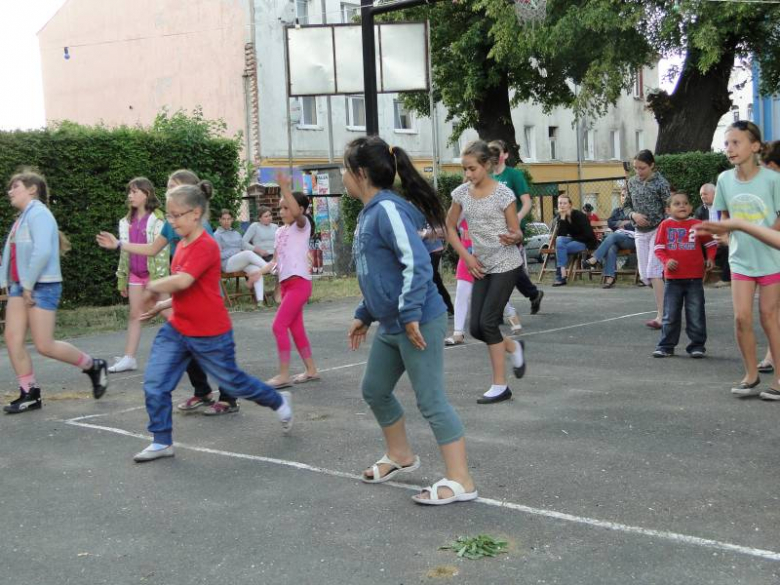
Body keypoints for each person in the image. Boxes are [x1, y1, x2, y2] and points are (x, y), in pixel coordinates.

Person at [345, 135, 476, 505]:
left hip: (417, 321)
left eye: (344, 169)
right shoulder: (371, 211)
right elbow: (379, 273)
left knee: (431, 401)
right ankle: (401, 456)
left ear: (359, 173)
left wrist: (409, 314)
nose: (343, 176)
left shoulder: (387, 209)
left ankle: (461, 480)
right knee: (374, 389)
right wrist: (364, 314)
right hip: (393, 324)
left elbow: (417, 263)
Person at [131, 184, 293, 461]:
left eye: (176, 215)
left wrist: (152, 286)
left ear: (195, 213)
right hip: (179, 328)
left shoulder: (206, 244)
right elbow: (188, 291)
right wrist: (162, 303)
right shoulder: (181, 244)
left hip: (211, 333)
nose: (171, 222)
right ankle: (161, 441)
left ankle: (277, 400)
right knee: (155, 383)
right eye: (169, 216)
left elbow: (183, 281)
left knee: (235, 383)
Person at [97, 170, 237, 416]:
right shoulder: (172, 224)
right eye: (167, 186)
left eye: (173, 186)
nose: (167, 191)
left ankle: (229, 398)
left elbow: (198, 274)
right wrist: (119, 244)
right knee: (186, 342)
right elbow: (152, 249)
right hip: (185, 289)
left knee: (213, 350)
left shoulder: (202, 229)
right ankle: (202, 392)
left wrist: (157, 291)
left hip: (202, 292)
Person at [2, 171, 108, 414]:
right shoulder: (21, 220)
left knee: (44, 345)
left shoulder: (39, 214)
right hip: (21, 286)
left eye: (15, 186)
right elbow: (12, 257)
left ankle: (93, 366)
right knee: (12, 338)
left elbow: (42, 252)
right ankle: (30, 393)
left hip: (41, 285)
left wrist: (28, 284)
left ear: (32, 189)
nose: (10, 191)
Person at [446, 140, 526, 405]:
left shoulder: (503, 194)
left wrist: (514, 237)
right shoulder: (461, 194)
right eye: (464, 169)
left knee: (489, 322)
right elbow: (450, 228)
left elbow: (517, 231)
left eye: (472, 169)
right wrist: (467, 257)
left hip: (505, 263)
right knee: (476, 328)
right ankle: (513, 347)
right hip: (480, 263)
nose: (468, 175)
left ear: (487, 165)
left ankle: (500, 385)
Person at [712, 121, 780, 400]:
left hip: (771, 260)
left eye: (736, 142)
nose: (730, 148)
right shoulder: (724, 180)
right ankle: (751, 375)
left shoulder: (773, 179)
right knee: (741, 318)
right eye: (727, 143)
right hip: (740, 260)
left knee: (769, 317)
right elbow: (724, 216)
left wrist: (761, 235)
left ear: (755, 147)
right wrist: (724, 233)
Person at [108, 178, 169, 373]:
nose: (130, 195)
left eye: (134, 192)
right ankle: (129, 358)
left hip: (155, 276)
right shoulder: (126, 222)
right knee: (135, 315)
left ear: (147, 194)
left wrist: (157, 281)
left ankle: (197, 347)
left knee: (169, 313)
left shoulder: (158, 220)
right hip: (135, 275)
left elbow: (161, 252)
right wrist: (122, 278)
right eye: (129, 192)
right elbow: (124, 253)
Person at [264, 176, 319, 389]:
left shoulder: (301, 227)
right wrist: (258, 272)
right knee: (296, 330)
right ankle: (312, 370)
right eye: (281, 208)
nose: (283, 211)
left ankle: (284, 375)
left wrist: (285, 187)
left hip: (300, 284)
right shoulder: (280, 232)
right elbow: (275, 261)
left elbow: (297, 214)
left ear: (302, 210)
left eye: (287, 207)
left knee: (278, 326)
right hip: (287, 285)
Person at [651, 192, 717, 358]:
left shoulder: (697, 224)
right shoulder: (665, 225)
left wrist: (710, 257)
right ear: (668, 209)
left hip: (695, 278)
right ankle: (666, 346)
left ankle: (697, 346)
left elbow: (710, 243)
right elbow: (659, 248)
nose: (682, 206)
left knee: (696, 313)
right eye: (677, 203)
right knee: (670, 314)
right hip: (673, 280)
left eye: (686, 203)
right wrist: (666, 261)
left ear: (691, 207)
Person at [489, 139, 544, 317]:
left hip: (511, 231)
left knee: (506, 268)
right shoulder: (488, 177)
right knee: (507, 268)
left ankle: (499, 310)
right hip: (493, 230)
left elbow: (527, 203)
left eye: (498, 153)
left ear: (505, 155)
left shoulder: (513, 175)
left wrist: (515, 219)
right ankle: (533, 293)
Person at [623, 150, 671, 329]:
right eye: (635, 168)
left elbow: (669, 207)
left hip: (658, 230)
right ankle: (670, 301)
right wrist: (634, 214)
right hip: (640, 232)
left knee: (654, 271)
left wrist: (667, 226)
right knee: (645, 276)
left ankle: (662, 315)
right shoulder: (632, 182)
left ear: (652, 165)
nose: (638, 172)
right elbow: (626, 205)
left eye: (642, 168)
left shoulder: (661, 183)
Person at [215, 209, 274, 306]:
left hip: (240, 261)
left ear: (232, 220)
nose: (226, 221)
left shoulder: (236, 234)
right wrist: (235, 251)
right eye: (224, 219)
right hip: (227, 264)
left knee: (255, 269)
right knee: (247, 253)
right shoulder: (217, 235)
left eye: (229, 219)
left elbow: (243, 247)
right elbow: (218, 255)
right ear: (219, 220)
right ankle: (272, 269)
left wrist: (240, 252)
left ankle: (260, 302)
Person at [584, 189, 635, 288]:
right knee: (611, 247)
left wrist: (622, 224)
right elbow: (610, 223)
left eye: (627, 195)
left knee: (613, 235)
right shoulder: (617, 211)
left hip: (631, 239)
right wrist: (623, 223)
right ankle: (610, 278)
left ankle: (594, 259)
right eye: (622, 195)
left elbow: (634, 225)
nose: (624, 197)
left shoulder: (635, 211)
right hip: (617, 239)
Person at [553, 194, 598, 286]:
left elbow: (588, 235)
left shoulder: (579, 215)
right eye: (560, 203)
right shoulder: (561, 216)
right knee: (559, 240)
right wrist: (562, 218)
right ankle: (562, 272)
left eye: (564, 203)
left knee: (561, 248)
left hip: (585, 242)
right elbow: (561, 235)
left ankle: (560, 276)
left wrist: (574, 239)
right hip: (574, 240)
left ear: (570, 204)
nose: (561, 205)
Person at [694, 183, 731, 288]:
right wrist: (709, 237)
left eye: (705, 194)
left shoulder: (725, 208)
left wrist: (724, 237)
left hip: (723, 239)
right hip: (707, 242)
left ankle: (726, 279)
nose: (702, 197)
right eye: (701, 195)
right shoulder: (700, 211)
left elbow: (731, 225)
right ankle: (694, 277)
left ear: (715, 194)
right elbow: (697, 229)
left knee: (727, 247)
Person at [445, 218, 473, 345]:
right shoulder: (458, 208)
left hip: (486, 257)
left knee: (494, 294)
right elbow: (449, 226)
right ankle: (458, 333)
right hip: (466, 256)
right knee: (461, 293)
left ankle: (510, 313)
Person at [421, 223, 455, 316]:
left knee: (431, 278)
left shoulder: (429, 212)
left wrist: (424, 233)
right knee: (433, 279)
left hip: (433, 249)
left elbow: (443, 230)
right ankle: (447, 307)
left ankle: (447, 308)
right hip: (424, 250)